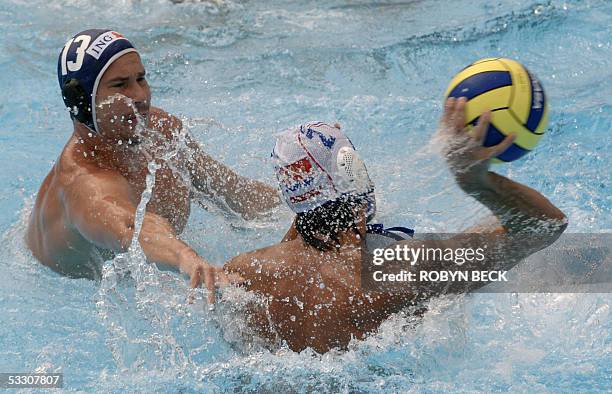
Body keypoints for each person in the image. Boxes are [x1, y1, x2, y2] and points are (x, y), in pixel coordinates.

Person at [222, 99, 568, 353]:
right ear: (353, 171)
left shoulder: (241, 272)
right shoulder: (396, 271)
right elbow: (543, 227)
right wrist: (474, 180)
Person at [26, 29, 280, 302]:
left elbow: (235, 194)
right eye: (120, 85)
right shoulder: (84, 180)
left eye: (141, 78)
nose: (140, 95)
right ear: (81, 103)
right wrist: (187, 258)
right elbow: (132, 227)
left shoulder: (160, 132)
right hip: (59, 294)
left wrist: (306, 204)